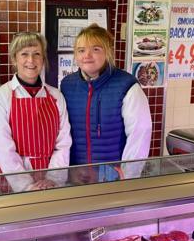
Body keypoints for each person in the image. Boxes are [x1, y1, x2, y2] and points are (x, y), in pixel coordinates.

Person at [60, 24, 152, 182]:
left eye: (95, 49)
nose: (87, 55)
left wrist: (127, 177)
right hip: (76, 178)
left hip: (112, 179)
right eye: (81, 50)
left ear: (107, 52)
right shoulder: (67, 85)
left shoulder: (126, 86)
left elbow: (140, 134)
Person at [0, 32, 71, 191]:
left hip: (50, 182)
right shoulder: (1, 96)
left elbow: (63, 143)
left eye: (37, 54)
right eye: (24, 54)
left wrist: (53, 179)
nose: (31, 60)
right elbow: (3, 149)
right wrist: (26, 185)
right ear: (14, 59)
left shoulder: (56, 96)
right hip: (13, 183)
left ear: (43, 59)